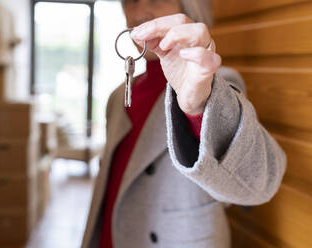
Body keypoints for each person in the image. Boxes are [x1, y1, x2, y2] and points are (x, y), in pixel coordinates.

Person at [81, 0, 287, 247]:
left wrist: (200, 105)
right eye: (131, 0)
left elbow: (257, 186)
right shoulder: (119, 97)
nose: (139, 12)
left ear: (190, 9)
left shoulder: (214, 87)